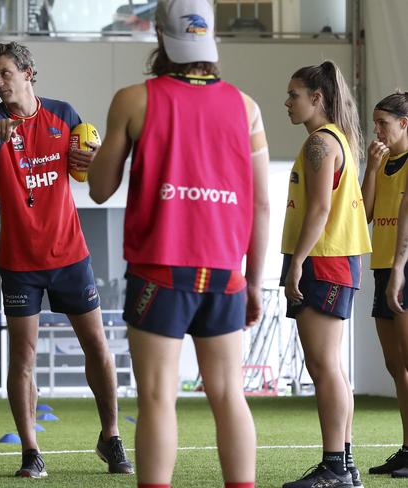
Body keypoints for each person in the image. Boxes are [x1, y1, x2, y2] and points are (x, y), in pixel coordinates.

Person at [88, 1, 269, 486]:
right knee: (230, 393)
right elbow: (261, 206)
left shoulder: (133, 99)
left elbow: (100, 188)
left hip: (159, 270)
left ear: (161, 41)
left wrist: (97, 153)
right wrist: (254, 281)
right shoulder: (246, 106)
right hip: (226, 271)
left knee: (156, 396)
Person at [0, 41, 133, 479]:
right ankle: (30, 451)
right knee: (22, 358)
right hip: (20, 264)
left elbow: (90, 165)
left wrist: (92, 160)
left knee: (97, 346)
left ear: (27, 72)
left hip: (70, 256)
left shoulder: (64, 114)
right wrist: (0, 132)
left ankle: (111, 436)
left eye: (4, 73)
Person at [280, 61, 371, 487]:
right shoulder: (336, 139)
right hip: (333, 259)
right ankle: (345, 463)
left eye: (294, 94)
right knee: (329, 365)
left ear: (317, 98)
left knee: (324, 366)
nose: (287, 102)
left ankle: (335, 465)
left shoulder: (321, 142)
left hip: (324, 259)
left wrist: (297, 261)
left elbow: (319, 209)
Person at [374, 92, 408, 478]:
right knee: (395, 366)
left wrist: (400, 267)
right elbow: (365, 212)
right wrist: (370, 167)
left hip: (404, 268)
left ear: (404, 123)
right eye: (375, 122)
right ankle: (406, 447)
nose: (377, 129)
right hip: (382, 267)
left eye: (383, 122)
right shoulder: (383, 162)